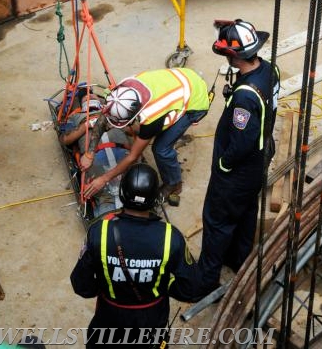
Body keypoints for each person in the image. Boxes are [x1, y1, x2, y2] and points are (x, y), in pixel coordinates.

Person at [70, 163, 200, 348]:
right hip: (151, 323)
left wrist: (107, 285)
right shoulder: (171, 237)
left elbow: (81, 285)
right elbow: (191, 289)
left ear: (121, 193)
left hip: (109, 322)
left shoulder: (100, 232)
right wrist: (163, 285)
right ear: (156, 198)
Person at [198, 19, 280, 293]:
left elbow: (242, 141)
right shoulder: (270, 70)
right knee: (245, 212)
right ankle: (239, 259)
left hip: (238, 170)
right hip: (260, 162)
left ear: (234, 55)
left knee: (217, 220)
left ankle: (207, 279)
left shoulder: (245, 96)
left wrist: (224, 164)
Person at [80, 68, 209, 206]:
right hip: (183, 77)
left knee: (161, 149)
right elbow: (104, 117)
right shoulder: (120, 93)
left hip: (195, 100)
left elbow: (132, 156)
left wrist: (104, 179)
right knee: (145, 133)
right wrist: (90, 153)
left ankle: (174, 184)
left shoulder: (151, 116)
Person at [59, 87, 133, 216]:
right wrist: (86, 125)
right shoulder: (77, 117)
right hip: (95, 160)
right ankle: (107, 217)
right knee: (104, 195)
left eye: (93, 96)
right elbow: (65, 139)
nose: (90, 97)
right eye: (86, 98)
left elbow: (134, 130)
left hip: (122, 153)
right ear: (81, 104)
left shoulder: (115, 113)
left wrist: (116, 122)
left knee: (132, 187)